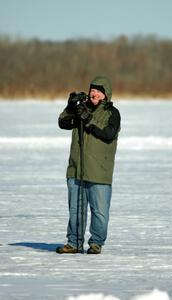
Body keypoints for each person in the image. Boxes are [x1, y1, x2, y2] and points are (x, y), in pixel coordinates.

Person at [56, 76, 121, 254]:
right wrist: (70, 107)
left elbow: (109, 134)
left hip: (100, 171)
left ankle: (96, 243)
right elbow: (63, 123)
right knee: (76, 210)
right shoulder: (80, 110)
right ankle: (74, 242)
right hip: (76, 168)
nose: (93, 93)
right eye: (92, 89)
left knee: (100, 212)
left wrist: (89, 120)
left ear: (105, 94)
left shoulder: (112, 113)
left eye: (98, 90)